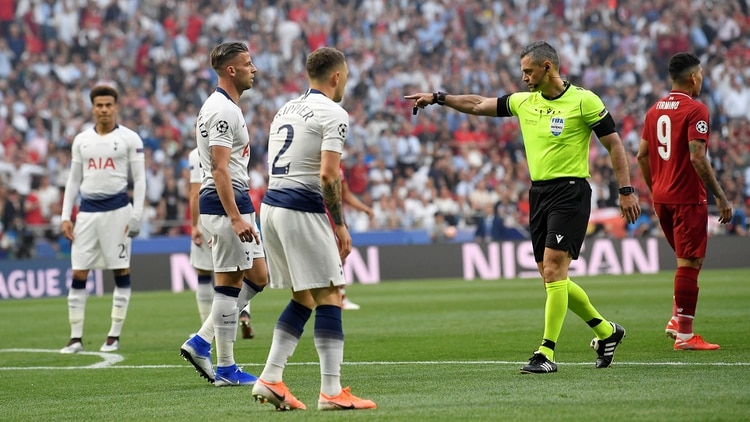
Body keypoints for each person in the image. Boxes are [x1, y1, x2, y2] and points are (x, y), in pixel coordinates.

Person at [406, 41, 641, 373]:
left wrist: (626, 190)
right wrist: (439, 98)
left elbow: (614, 143)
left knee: (556, 270)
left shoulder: (584, 100)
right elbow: (476, 104)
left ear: (547, 67)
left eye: (528, 71)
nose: (524, 78)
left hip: (571, 191)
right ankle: (607, 331)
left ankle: (545, 353)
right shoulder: (523, 102)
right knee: (550, 276)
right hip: (539, 194)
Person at [251, 47, 376, 411]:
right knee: (331, 293)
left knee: (304, 296)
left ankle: (271, 379)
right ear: (336, 77)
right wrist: (339, 224)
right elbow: (327, 173)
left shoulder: (284, 109)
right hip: (300, 210)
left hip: (271, 207)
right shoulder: (334, 113)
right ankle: (332, 392)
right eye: (346, 77)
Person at [179, 42, 267, 386]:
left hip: (235, 201)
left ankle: (201, 340)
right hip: (224, 203)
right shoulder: (221, 110)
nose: (254, 69)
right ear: (231, 70)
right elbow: (217, 169)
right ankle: (227, 368)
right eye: (248, 63)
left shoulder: (224, 107)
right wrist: (234, 217)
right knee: (230, 283)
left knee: (258, 277)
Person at [637, 52, 733, 351]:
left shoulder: (654, 110)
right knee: (689, 263)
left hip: (662, 198)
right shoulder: (696, 110)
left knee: (689, 261)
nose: (702, 79)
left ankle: (676, 320)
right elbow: (696, 156)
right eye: (701, 74)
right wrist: (720, 194)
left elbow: (641, 154)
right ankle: (686, 335)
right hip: (687, 198)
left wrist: (656, 187)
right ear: (693, 78)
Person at [59, 84, 146, 354]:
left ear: (116, 107)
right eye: (99, 105)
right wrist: (65, 215)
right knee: (78, 271)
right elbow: (73, 180)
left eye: (109, 105)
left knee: (120, 270)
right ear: (93, 107)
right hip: (86, 213)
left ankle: (114, 335)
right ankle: (75, 338)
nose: (104, 109)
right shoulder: (82, 140)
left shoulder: (131, 139)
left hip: (118, 212)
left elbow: (140, 179)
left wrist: (137, 214)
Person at [188, 147, 253, 338]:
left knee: (207, 273)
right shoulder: (234, 148)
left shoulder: (195, 154)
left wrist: (193, 225)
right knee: (240, 270)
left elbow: (194, 192)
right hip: (238, 207)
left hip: (210, 211)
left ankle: (206, 328)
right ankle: (245, 313)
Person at [337, 163, 374, 310]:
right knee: (337, 258)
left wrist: (364, 208)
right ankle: (337, 298)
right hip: (324, 215)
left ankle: (339, 297)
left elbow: (345, 193)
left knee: (341, 256)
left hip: (337, 216)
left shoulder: (338, 164)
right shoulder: (318, 160)